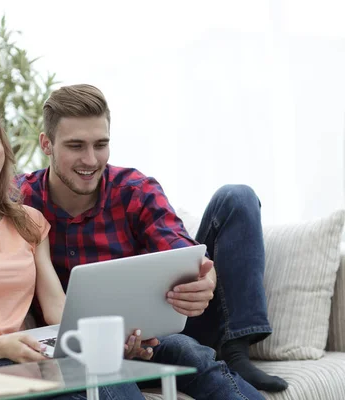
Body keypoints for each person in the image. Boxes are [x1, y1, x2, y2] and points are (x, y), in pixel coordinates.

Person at [17, 84, 288, 397]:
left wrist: (204, 281)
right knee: (188, 353)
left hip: (153, 333)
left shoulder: (134, 190)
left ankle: (237, 348)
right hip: (77, 348)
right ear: (46, 144)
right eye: (76, 146)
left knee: (237, 198)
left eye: (101, 144)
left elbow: (185, 254)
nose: (91, 159)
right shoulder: (20, 202)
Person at [0, 92, 145, 400]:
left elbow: (58, 309)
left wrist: (105, 336)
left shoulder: (29, 221)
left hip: (16, 356)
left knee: (106, 372)